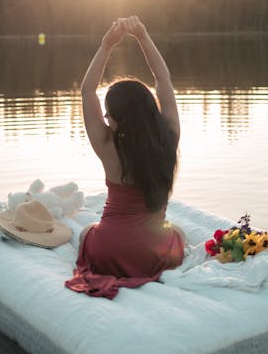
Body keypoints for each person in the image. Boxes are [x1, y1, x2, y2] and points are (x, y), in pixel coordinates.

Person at [65, 16, 185, 299]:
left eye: (109, 114)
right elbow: (163, 79)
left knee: (84, 235)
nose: (106, 118)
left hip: (108, 248)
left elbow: (86, 91)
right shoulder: (168, 137)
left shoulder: (108, 146)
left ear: (119, 118)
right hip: (152, 250)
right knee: (178, 234)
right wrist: (143, 36)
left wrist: (107, 46)